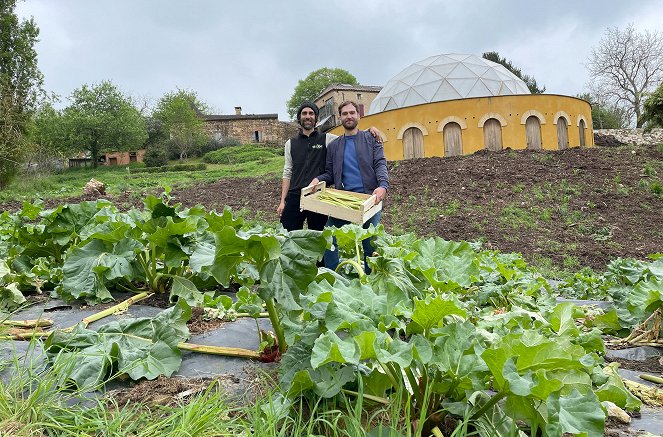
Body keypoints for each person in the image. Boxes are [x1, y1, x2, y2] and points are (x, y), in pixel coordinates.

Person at [277, 101, 385, 232]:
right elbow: (287, 172)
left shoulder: (327, 139)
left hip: (318, 195)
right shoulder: (291, 143)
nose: (307, 116)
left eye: (311, 113)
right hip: (295, 196)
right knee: (288, 236)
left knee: (321, 238)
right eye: (304, 113)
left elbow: (352, 135)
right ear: (299, 117)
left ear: (316, 118)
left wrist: (369, 131)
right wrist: (283, 201)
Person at [310, 100, 389, 272]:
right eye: (345, 114)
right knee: (329, 238)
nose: (349, 116)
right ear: (340, 118)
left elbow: (380, 164)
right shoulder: (334, 146)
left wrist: (383, 185)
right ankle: (335, 276)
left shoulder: (371, 138)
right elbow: (330, 174)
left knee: (370, 245)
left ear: (358, 115)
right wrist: (318, 180)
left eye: (352, 113)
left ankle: (370, 280)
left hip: (370, 199)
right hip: (345, 200)